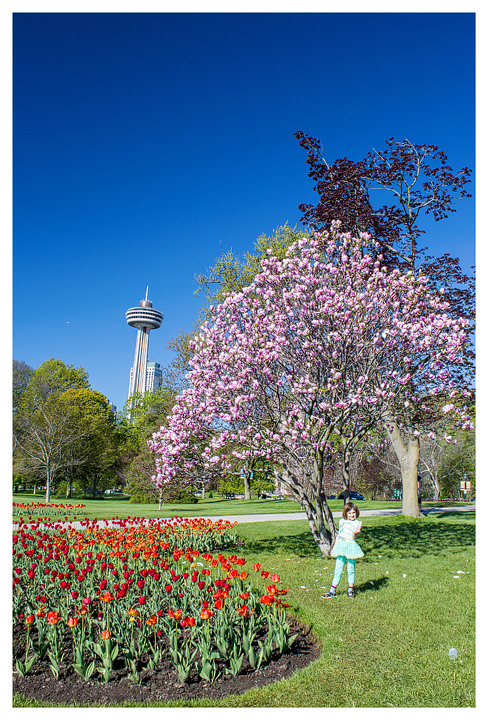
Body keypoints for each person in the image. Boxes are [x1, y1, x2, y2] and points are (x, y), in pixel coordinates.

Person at [321, 502, 364, 599]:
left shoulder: (358, 523)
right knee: (338, 569)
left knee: (351, 569)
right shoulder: (342, 522)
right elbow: (339, 535)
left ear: (356, 513)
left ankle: (350, 590)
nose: (352, 515)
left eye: (353, 513)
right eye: (349, 513)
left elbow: (354, 537)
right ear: (345, 513)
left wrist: (355, 532)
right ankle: (332, 590)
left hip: (351, 547)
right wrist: (334, 548)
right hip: (341, 546)